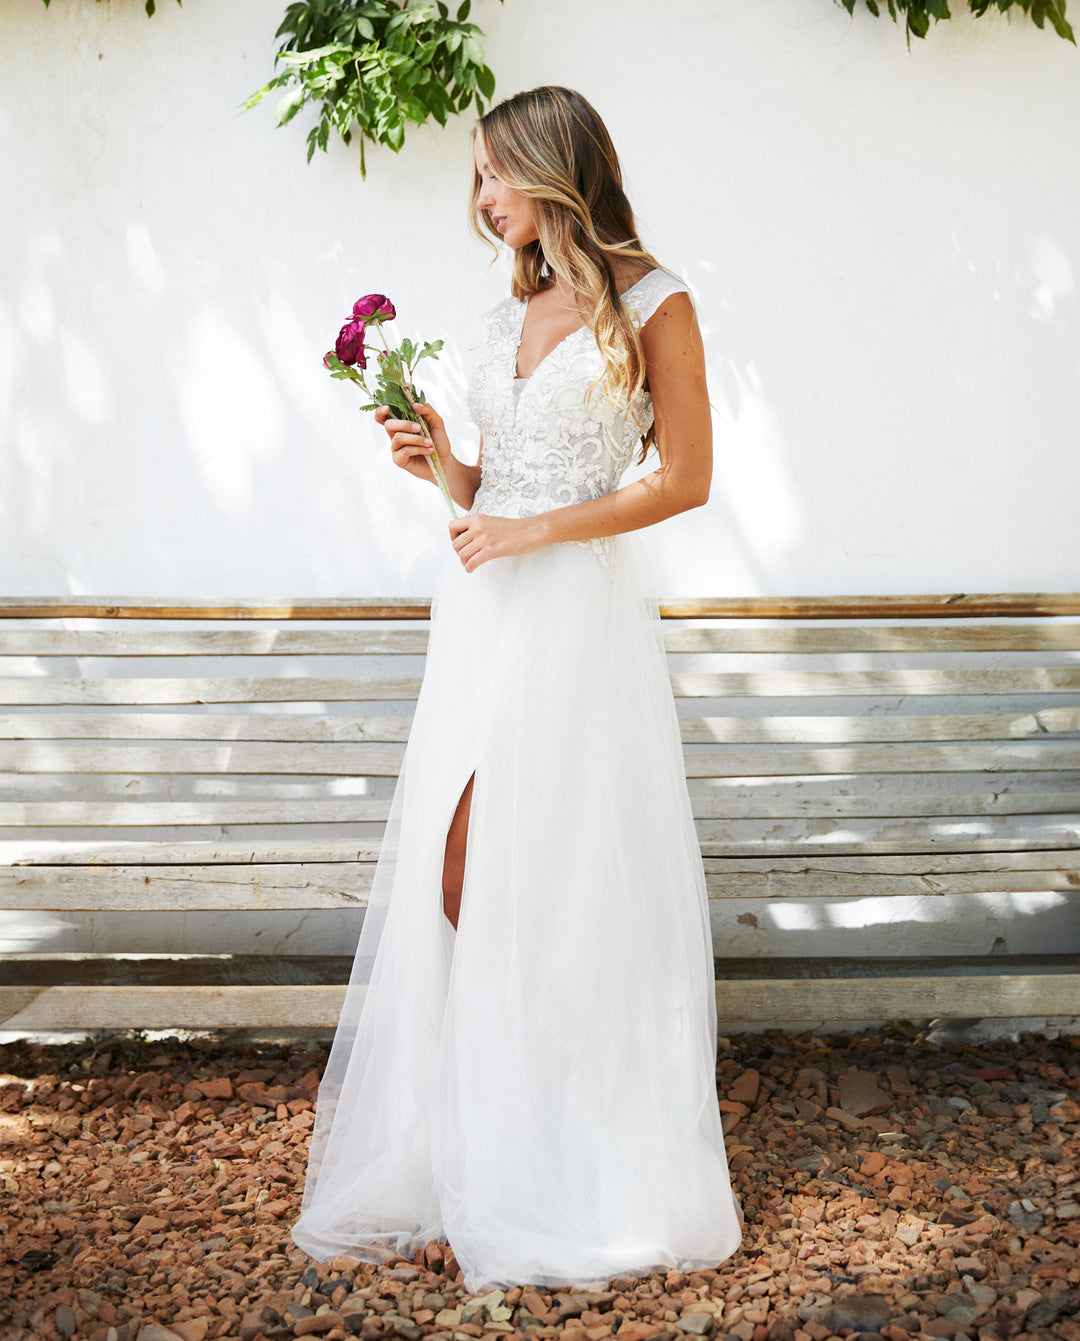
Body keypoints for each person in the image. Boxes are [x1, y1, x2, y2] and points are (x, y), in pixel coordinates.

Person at [291, 85, 743, 1294]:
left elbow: (687, 478)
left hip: (577, 615)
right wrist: (440, 460)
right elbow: (488, 493)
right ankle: (488, 1139)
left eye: (497, 174)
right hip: (486, 613)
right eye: (478, 179)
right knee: (463, 873)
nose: (483, 200)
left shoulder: (655, 301)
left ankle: (566, 1158)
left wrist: (533, 526)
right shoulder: (509, 310)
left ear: (555, 169)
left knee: (535, 867)